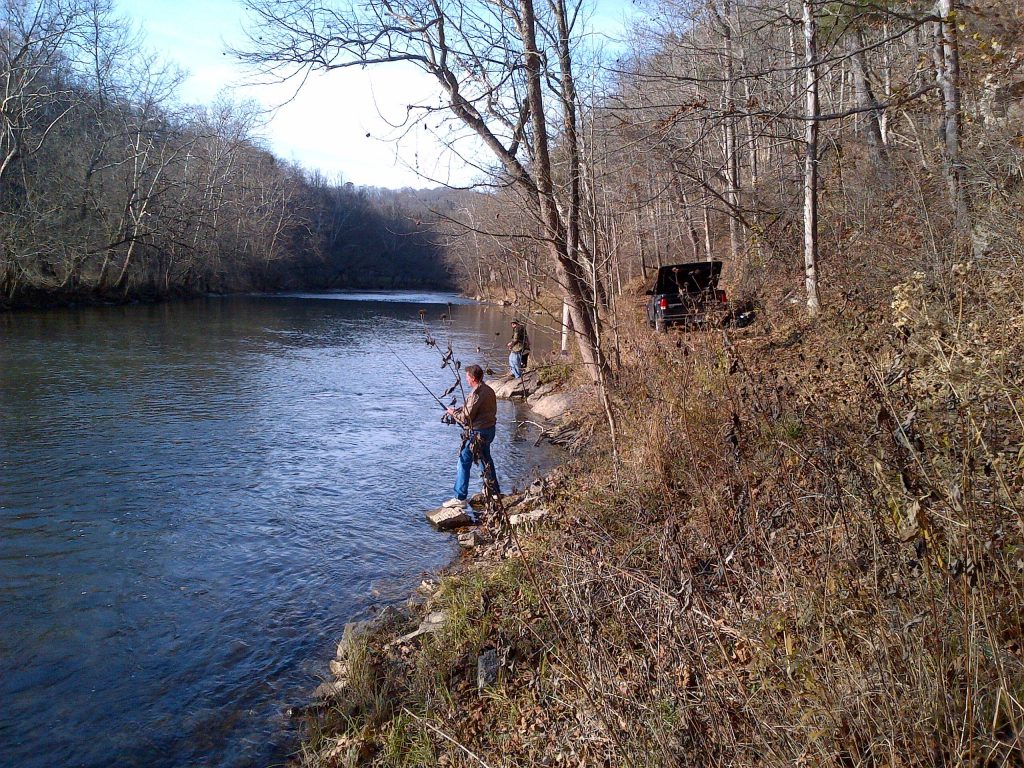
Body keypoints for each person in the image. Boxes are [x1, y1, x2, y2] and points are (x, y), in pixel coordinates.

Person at [443, 364, 500, 508]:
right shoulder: (489, 390)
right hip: (490, 430)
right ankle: (493, 491)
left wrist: (453, 413)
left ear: (473, 378)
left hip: (479, 434)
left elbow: (466, 418)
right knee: (485, 460)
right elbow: (478, 410)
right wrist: (460, 409)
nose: (466, 380)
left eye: (467, 377)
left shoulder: (476, 394)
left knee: (463, 460)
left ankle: (460, 498)